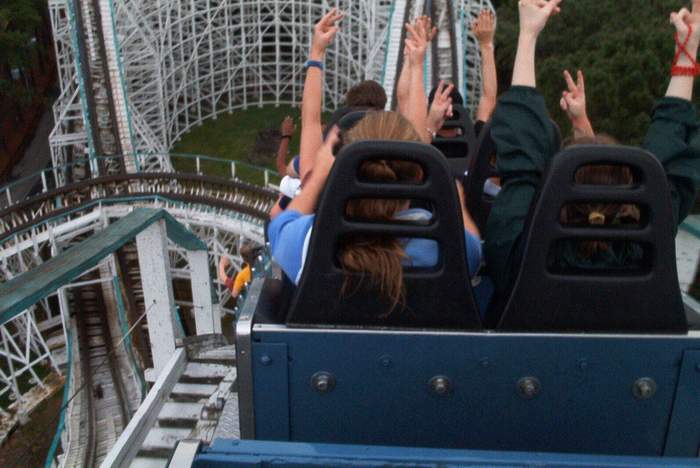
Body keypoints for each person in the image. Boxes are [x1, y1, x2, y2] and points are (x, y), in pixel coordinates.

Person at [484, 0, 700, 298]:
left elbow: (522, 154)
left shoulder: (522, 252)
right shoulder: (646, 246)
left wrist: (528, 35)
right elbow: (669, 161)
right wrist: (686, 54)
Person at [268, 111, 484, 315]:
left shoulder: (311, 240)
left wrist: (319, 176)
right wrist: (456, 202)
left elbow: (280, 225)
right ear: (419, 175)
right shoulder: (449, 246)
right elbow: (475, 245)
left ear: (344, 169)